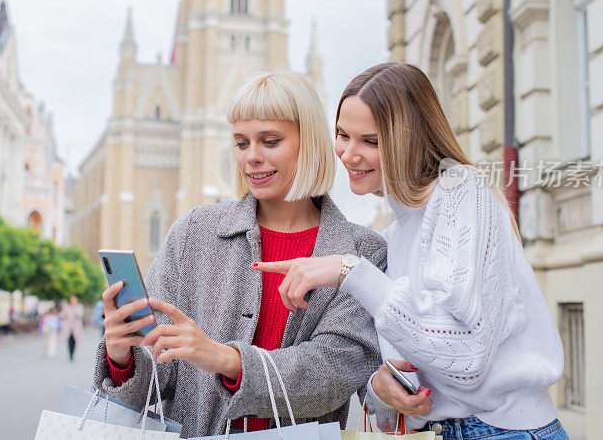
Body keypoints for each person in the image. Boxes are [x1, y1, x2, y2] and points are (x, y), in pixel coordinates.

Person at [253, 63, 569, 439]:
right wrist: (381, 390)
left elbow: (466, 361)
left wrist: (350, 271)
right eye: (342, 135)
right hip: (446, 431)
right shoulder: (396, 234)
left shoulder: (461, 192)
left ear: (410, 138)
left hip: (505, 430)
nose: (349, 154)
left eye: (370, 141)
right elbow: (412, 382)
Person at [94, 72, 387, 438]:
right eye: (240, 143)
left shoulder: (363, 254)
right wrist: (122, 356)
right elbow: (156, 377)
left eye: (269, 141)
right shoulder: (193, 233)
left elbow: (332, 372)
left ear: (309, 142)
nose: (252, 157)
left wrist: (226, 360)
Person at [59, 295, 84, 361]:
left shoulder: (79, 306)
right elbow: (61, 315)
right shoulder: (66, 306)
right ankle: (70, 355)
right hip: (68, 326)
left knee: (74, 340)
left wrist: (75, 312)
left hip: (76, 327)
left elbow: (80, 314)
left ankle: (73, 354)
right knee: (69, 340)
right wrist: (65, 315)